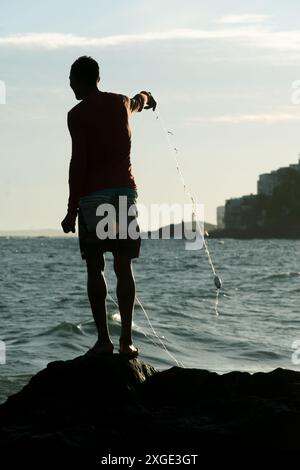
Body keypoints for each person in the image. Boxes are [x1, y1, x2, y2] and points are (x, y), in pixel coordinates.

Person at [61, 56, 156, 358]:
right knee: (123, 265)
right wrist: (147, 96)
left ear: (81, 79)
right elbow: (139, 102)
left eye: (71, 79)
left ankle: (104, 341)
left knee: (95, 265)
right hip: (124, 191)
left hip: (93, 196)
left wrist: (71, 209)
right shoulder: (121, 102)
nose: (70, 84)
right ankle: (126, 341)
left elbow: (79, 162)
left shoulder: (77, 115)